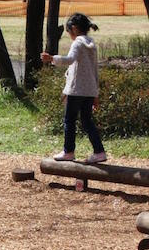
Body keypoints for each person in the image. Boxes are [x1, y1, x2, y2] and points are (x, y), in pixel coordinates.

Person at [41, 13, 107, 164]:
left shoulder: (78, 43)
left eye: (68, 31)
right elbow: (95, 70)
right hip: (89, 90)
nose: (69, 34)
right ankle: (99, 152)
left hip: (77, 89)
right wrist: (95, 94)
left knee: (69, 120)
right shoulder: (92, 44)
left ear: (75, 29)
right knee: (87, 121)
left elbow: (70, 60)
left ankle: (68, 151)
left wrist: (52, 58)